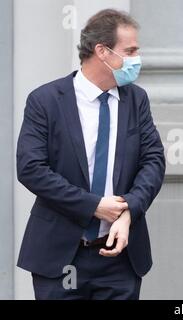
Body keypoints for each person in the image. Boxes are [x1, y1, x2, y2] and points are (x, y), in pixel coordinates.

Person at [16, 9, 166, 300]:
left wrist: (129, 210)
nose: (137, 59)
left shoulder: (136, 100)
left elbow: (153, 161)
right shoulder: (45, 101)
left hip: (120, 257)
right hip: (61, 258)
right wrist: (93, 205)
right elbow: (32, 168)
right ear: (102, 51)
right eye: (130, 51)